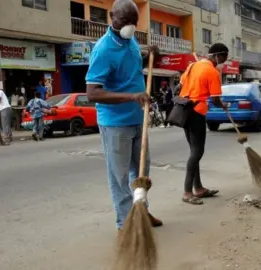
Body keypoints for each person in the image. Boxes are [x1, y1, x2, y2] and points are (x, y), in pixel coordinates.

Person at [85, 0, 162, 230]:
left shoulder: (131, 41)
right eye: (125, 21)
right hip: (116, 124)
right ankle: (125, 226)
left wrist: (150, 55)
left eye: (133, 22)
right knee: (119, 179)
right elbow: (92, 93)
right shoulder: (103, 49)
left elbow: (132, 72)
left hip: (139, 118)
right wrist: (131, 97)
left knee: (140, 173)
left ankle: (142, 212)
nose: (130, 26)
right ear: (112, 17)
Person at [179, 43, 228, 205]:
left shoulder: (193, 66)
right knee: (197, 152)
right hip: (196, 112)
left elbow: (181, 84)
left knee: (194, 151)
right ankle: (187, 192)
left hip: (184, 109)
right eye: (223, 58)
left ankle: (198, 188)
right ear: (218, 55)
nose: (223, 61)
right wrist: (223, 106)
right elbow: (214, 99)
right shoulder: (212, 72)